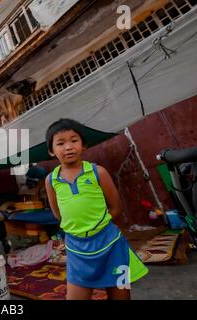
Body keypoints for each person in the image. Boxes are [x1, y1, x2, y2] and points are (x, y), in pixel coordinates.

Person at [44, 118, 148, 300]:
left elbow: (116, 208)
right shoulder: (51, 181)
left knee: (121, 297)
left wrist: (97, 228)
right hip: (77, 249)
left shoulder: (98, 172)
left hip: (110, 244)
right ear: (51, 151)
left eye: (74, 141)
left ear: (83, 145)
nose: (68, 147)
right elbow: (58, 214)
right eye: (60, 143)